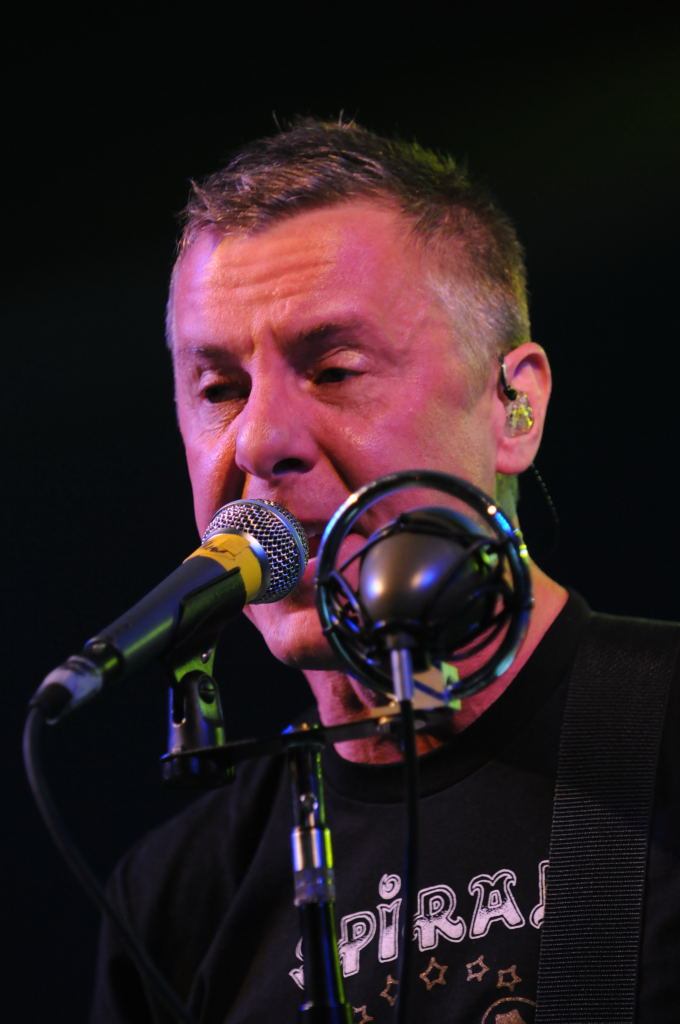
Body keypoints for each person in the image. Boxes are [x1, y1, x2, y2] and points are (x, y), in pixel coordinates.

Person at [92, 120, 680, 1023]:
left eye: (333, 370)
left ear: (513, 406)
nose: (260, 441)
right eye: (219, 390)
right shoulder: (175, 901)